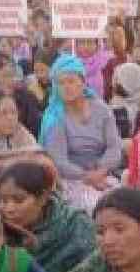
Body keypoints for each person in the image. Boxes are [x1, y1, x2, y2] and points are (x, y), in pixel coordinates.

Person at [0, 161, 96, 272]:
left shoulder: (76, 225)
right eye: (2, 200)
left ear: (43, 198)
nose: (8, 209)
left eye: (19, 200)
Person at [43, 55, 122, 193]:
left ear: (83, 82)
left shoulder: (102, 109)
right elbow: (59, 160)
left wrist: (101, 170)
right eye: (61, 83)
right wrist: (86, 176)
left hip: (103, 174)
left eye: (71, 81)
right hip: (71, 179)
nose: (66, 87)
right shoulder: (55, 117)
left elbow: (114, 147)